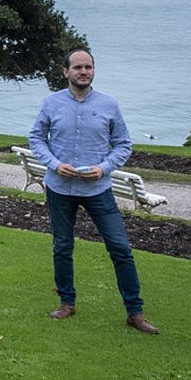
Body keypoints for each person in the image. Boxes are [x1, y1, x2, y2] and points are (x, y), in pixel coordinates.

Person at [29, 50, 160, 334]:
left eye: (88, 67)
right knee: (62, 247)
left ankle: (134, 312)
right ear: (66, 72)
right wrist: (53, 164)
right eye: (77, 67)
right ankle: (67, 303)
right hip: (60, 188)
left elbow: (123, 144)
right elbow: (37, 138)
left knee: (120, 248)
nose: (83, 71)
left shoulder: (109, 105)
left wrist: (104, 168)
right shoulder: (51, 103)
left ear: (93, 71)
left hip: (98, 189)